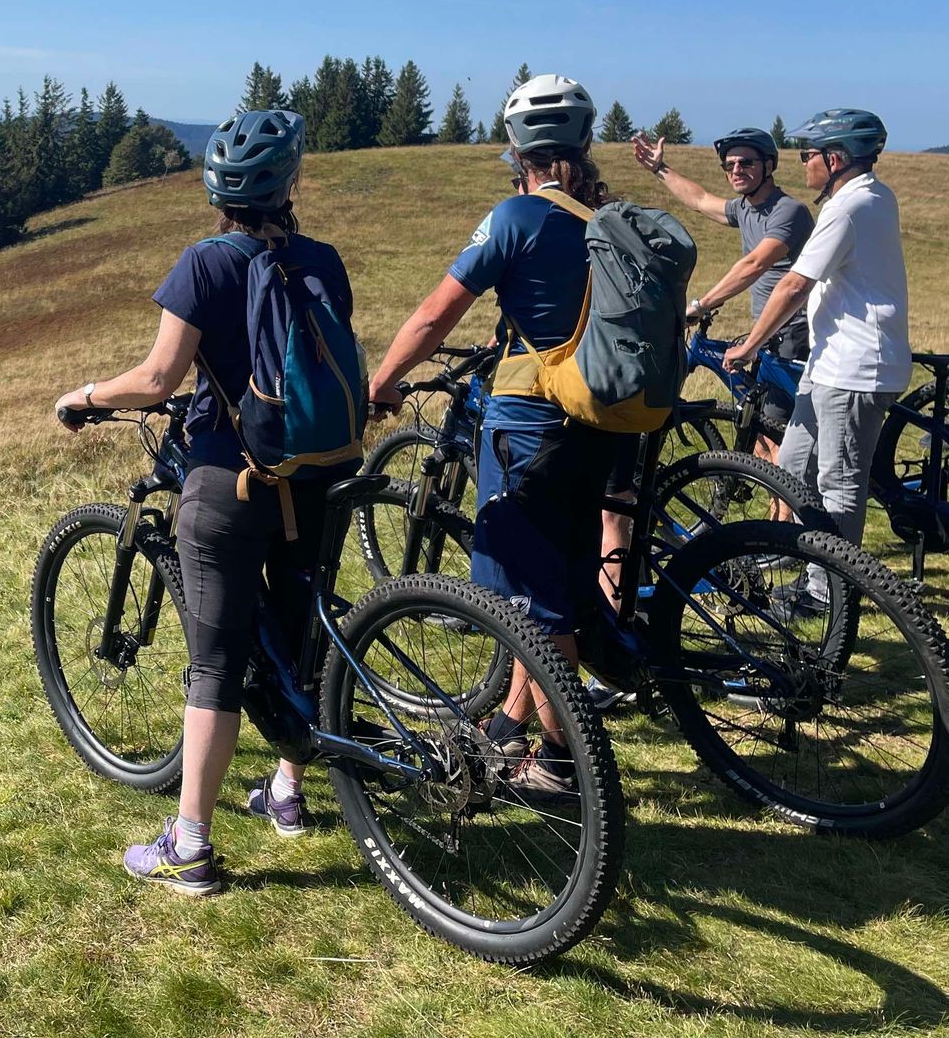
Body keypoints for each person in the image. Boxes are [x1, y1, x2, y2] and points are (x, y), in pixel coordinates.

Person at [53, 108, 357, 895]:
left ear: (216, 190)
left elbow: (159, 381)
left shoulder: (205, 263)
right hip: (318, 471)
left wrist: (87, 395)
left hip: (232, 480)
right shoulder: (323, 258)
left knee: (215, 664)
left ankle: (189, 845)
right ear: (290, 184)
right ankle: (287, 791)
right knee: (299, 621)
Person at [368, 74, 634, 791]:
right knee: (547, 592)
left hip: (531, 432)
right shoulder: (606, 220)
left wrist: (382, 382)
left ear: (517, 149)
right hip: (596, 427)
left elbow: (433, 315)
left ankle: (559, 763)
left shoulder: (518, 218)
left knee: (535, 608)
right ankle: (512, 730)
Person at [721, 109, 907, 611]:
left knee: (839, 485)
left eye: (808, 155)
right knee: (794, 469)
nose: (802, 164)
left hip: (855, 368)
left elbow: (794, 283)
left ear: (835, 158)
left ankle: (830, 596)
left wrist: (751, 342)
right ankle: (811, 570)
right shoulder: (872, 196)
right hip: (829, 364)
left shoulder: (848, 208)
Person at [633, 125, 814, 461]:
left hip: (793, 333)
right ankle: (781, 509)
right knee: (762, 434)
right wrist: (660, 168)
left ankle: (787, 512)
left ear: (769, 166)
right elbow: (701, 200)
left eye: (745, 163)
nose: (736, 170)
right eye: (729, 165)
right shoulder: (745, 209)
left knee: (776, 441)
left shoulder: (789, 211)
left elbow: (754, 264)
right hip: (767, 332)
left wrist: (701, 305)